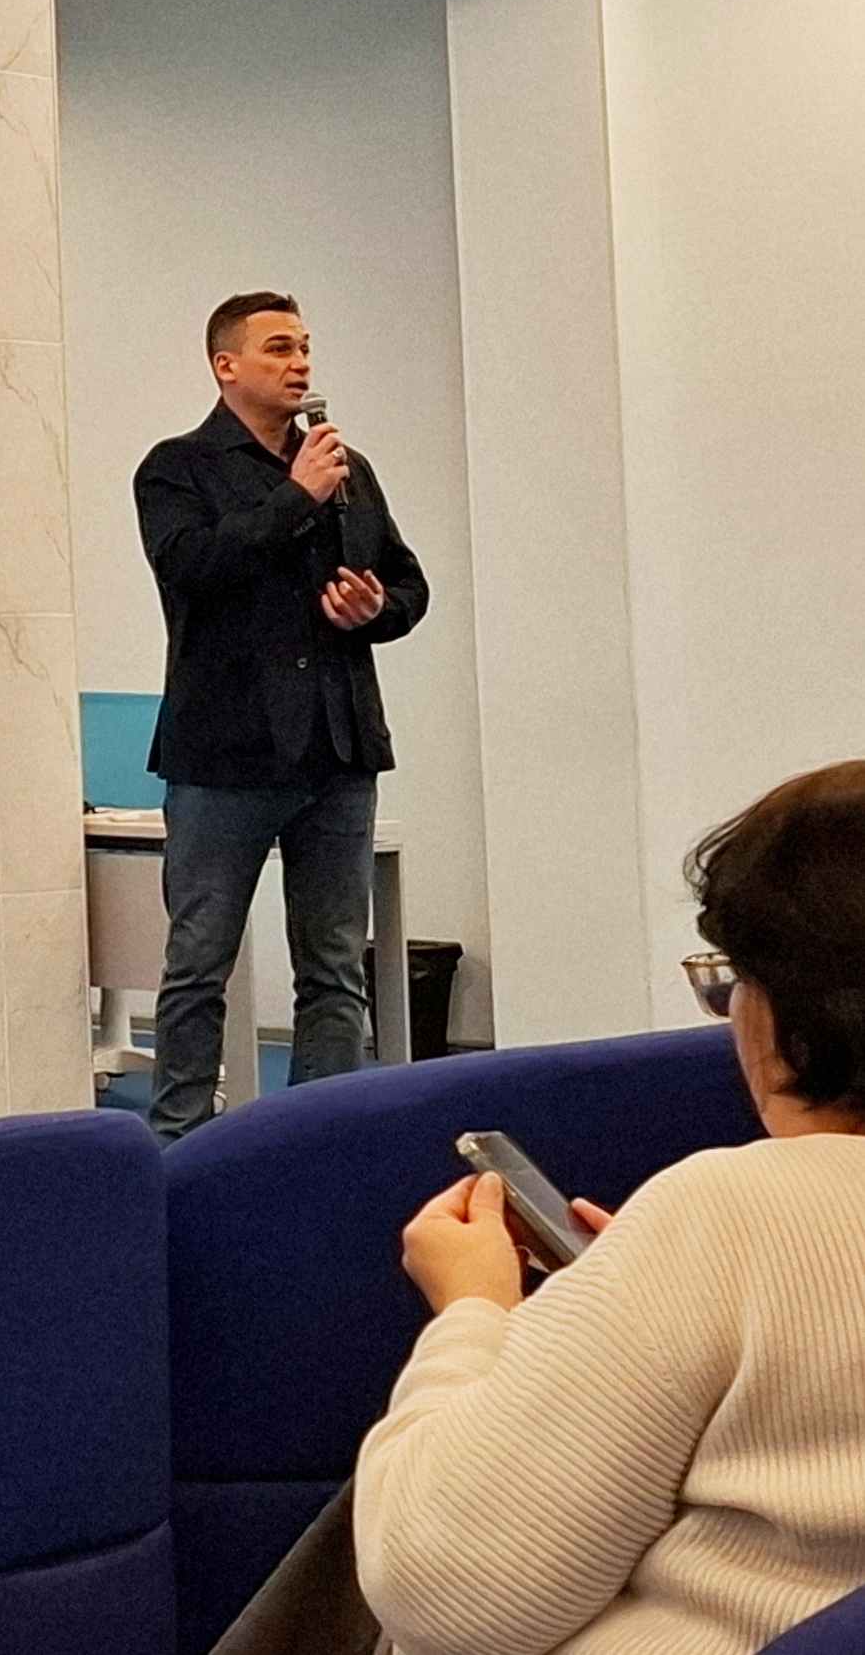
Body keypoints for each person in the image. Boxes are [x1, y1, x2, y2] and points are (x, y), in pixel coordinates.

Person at [350, 762, 865, 1655]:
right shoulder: (729, 1236)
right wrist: (640, 1294)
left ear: (797, 1012)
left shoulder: (729, 1214)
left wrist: (473, 1314)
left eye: (732, 980)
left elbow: (443, 1593)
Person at [133, 291, 429, 1139]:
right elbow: (191, 566)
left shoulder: (344, 466)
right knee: (198, 962)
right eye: (276, 348)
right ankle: (176, 1140)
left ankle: (317, 1137)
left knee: (334, 966)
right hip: (225, 753)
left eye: (303, 346)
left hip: (336, 748)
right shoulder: (176, 468)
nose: (298, 362)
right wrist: (295, 498)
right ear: (224, 365)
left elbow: (407, 583)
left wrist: (374, 607)